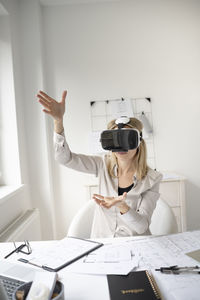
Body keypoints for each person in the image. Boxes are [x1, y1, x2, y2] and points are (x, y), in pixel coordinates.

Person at [37, 90, 163, 238]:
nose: (121, 147)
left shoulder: (152, 179)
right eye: (116, 140)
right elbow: (64, 158)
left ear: (139, 142)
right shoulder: (102, 164)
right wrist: (58, 121)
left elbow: (142, 227)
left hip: (136, 244)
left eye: (127, 139)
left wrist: (122, 206)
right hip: (104, 243)